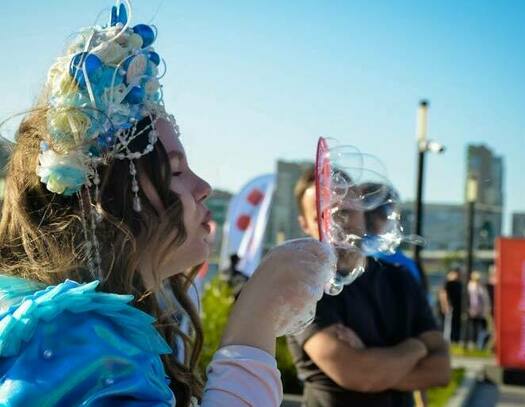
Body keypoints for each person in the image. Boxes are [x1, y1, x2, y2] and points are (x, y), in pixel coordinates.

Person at [0, 3, 335, 406]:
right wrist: (255, 318)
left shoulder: (91, 328)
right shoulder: (75, 341)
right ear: (105, 200)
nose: (204, 187)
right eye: (175, 171)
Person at [287, 166, 451, 407]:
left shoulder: (400, 280)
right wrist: (417, 348)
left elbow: (441, 370)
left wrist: (376, 369)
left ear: (363, 212)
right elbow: (359, 374)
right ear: (304, 224)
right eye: (322, 217)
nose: (338, 225)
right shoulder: (306, 286)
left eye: (345, 212)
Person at [466, 271, 491, 350]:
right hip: (472, 310)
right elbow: (468, 299)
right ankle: (472, 342)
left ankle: (480, 344)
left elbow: (485, 299)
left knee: (482, 327)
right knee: (473, 327)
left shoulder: (481, 288)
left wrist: (486, 310)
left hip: (481, 311)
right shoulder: (470, 287)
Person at [439, 267, 463, 343]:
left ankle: (455, 340)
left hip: (457, 308)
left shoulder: (459, 283)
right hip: (450, 307)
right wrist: (445, 305)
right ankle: (447, 341)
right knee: (448, 325)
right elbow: (443, 294)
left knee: (456, 325)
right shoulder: (448, 283)